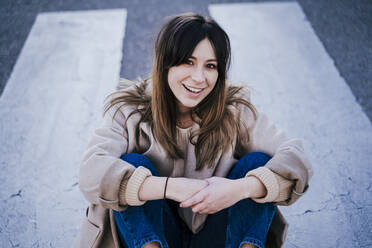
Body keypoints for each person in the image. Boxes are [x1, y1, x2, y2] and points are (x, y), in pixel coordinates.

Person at [73, 13, 313, 248]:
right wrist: (168, 187)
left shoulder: (235, 109)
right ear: (165, 62)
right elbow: (91, 173)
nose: (199, 78)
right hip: (157, 234)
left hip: (218, 232)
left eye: (210, 66)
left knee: (257, 163)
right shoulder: (130, 109)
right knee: (132, 163)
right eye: (188, 61)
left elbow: (295, 158)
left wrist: (239, 189)